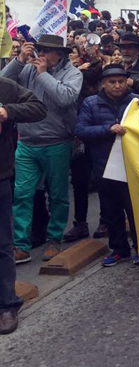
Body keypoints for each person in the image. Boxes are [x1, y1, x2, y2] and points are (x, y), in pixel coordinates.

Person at [2, 35, 83, 263]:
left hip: (57, 142)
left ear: (60, 54)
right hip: (27, 142)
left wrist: (44, 75)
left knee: (57, 195)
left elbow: (65, 98)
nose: (42, 54)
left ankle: (54, 239)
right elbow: (2, 83)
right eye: (40, 49)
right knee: (22, 195)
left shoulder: (73, 74)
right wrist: (19, 60)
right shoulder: (27, 69)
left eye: (47, 50)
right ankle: (21, 245)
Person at [74, 64, 139, 267]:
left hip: (132, 167)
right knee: (111, 212)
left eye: (121, 81)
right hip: (104, 168)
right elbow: (81, 130)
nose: (117, 86)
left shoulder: (136, 101)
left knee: (136, 211)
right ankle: (119, 249)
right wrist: (108, 129)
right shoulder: (90, 103)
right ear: (103, 84)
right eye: (112, 82)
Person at [0, 77, 47, 334]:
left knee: (3, 244)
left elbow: (38, 108)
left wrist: (8, 111)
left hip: (0, 176)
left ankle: (6, 304)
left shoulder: (5, 86)